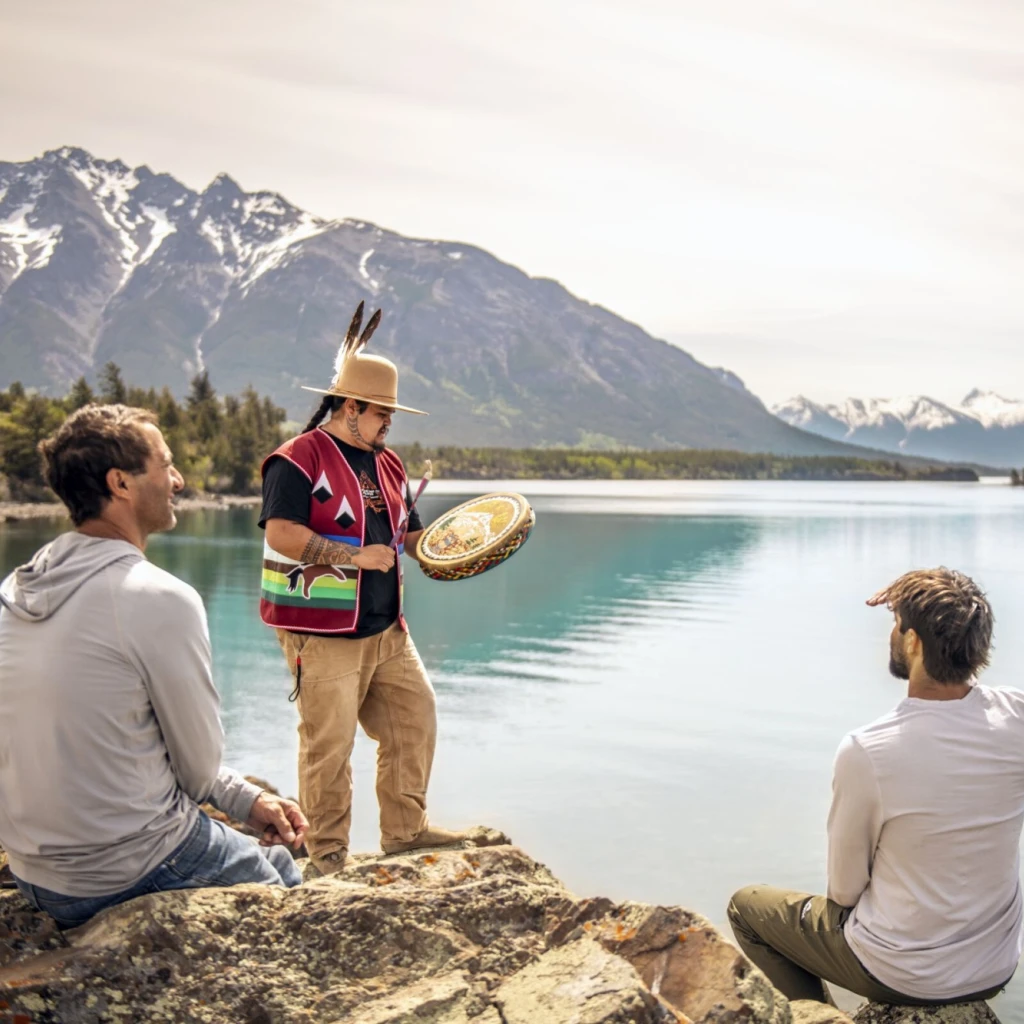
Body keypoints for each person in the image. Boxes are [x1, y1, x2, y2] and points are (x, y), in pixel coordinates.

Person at [0, 404, 307, 929]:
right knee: (286, 882)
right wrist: (238, 796)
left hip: (36, 872)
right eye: (165, 465)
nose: (179, 480)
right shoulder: (157, 598)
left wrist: (245, 798)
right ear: (120, 483)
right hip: (127, 867)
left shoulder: (14, 591)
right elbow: (197, 769)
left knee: (265, 854)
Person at [728, 567, 1021, 1006]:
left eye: (895, 623)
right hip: (994, 967)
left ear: (913, 642)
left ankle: (819, 1017)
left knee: (747, 907)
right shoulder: (1016, 718)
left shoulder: (868, 751)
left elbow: (844, 891)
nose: (890, 634)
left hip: (904, 975)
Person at [260, 301, 465, 875]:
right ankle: (326, 861)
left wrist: (461, 548)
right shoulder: (296, 460)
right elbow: (281, 534)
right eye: (381, 412)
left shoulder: (390, 465)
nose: (389, 422)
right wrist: (354, 557)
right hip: (320, 631)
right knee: (329, 747)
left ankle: (405, 831)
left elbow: (415, 537)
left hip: (387, 628)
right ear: (349, 407)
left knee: (415, 717)